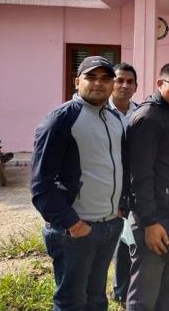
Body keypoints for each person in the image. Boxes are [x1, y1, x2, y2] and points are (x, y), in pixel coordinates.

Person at [30, 56, 125, 311]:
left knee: (96, 299)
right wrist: (72, 224)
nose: (99, 83)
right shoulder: (61, 120)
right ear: (76, 81)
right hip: (76, 230)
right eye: (91, 77)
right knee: (71, 302)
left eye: (105, 78)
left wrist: (119, 207)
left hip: (108, 225)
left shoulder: (114, 119)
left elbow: (117, 167)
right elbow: (41, 185)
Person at [126, 63, 169, 311]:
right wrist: (150, 222)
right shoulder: (148, 118)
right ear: (159, 84)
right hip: (155, 220)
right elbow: (139, 176)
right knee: (145, 295)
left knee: (166, 292)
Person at [109, 62, 139, 306]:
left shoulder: (140, 113)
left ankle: (127, 288)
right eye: (119, 80)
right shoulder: (101, 112)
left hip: (134, 185)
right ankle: (119, 290)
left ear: (136, 86)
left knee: (130, 237)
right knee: (115, 239)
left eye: (130, 81)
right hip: (108, 186)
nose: (124, 85)